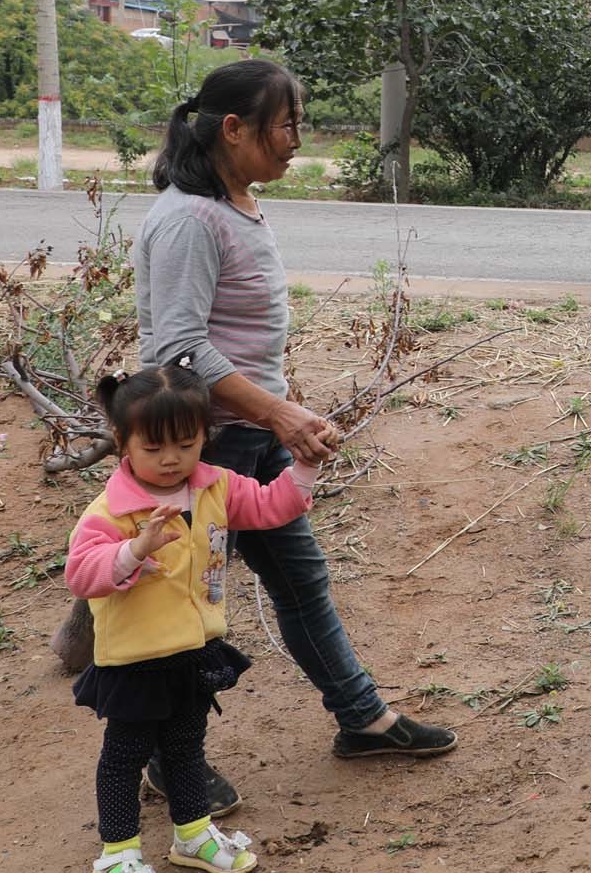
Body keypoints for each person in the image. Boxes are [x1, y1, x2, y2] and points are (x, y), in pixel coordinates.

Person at [135, 60, 453, 817]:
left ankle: (363, 718)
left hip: (254, 438)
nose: (296, 141)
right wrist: (278, 413)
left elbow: (236, 336)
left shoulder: (235, 202)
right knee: (189, 608)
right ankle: (163, 759)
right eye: (285, 125)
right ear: (233, 129)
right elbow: (179, 348)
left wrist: (281, 411)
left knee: (301, 584)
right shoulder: (189, 218)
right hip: (204, 450)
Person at [65, 363, 309, 873]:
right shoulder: (113, 511)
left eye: (185, 444)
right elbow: (80, 573)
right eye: (153, 449)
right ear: (123, 444)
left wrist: (306, 467)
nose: (170, 459)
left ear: (205, 438)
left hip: (192, 649)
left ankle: (192, 834)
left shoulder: (216, 486)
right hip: (132, 657)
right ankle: (118, 853)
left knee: (185, 745)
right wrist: (133, 550)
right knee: (125, 754)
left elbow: (273, 505)